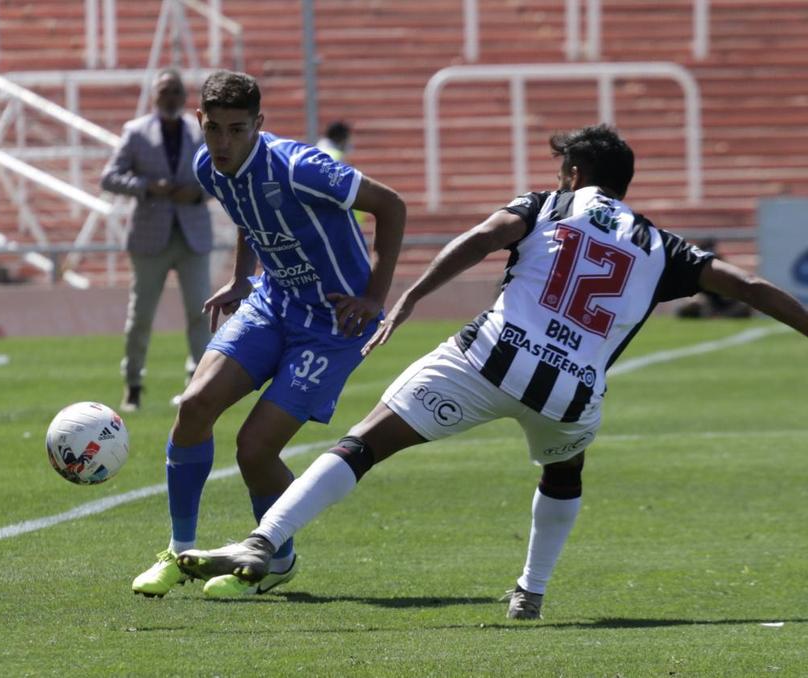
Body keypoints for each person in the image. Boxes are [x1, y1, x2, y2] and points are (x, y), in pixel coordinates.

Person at [176, 124, 808, 618]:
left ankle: (265, 542)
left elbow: (482, 237)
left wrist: (409, 298)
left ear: (574, 173)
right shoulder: (662, 244)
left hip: (488, 358)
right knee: (564, 471)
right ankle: (530, 592)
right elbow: (747, 284)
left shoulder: (551, 205)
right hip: (571, 395)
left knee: (364, 443)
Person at [131, 70, 407, 599]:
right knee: (193, 406)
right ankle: (178, 551)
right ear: (200, 122)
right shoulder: (209, 167)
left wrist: (374, 296)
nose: (224, 142)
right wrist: (241, 277)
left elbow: (391, 206)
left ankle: (275, 558)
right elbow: (247, 211)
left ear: (259, 124)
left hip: (331, 326)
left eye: (238, 130)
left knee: (254, 449)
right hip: (273, 300)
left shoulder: (304, 168)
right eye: (215, 129)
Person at [101, 69, 213, 412]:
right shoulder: (136, 132)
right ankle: (133, 384)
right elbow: (110, 177)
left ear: (185, 97)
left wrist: (196, 193)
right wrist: (149, 187)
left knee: (201, 311)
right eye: (165, 91)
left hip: (192, 233)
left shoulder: (200, 132)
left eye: (176, 91)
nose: (170, 97)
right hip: (150, 236)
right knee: (141, 315)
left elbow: (221, 175)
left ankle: (198, 385)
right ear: (154, 96)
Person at [675, 238, 752, 318]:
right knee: (694, 302)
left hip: (722, 305)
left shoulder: (723, 268)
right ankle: (711, 317)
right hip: (705, 305)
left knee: (744, 305)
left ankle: (720, 317)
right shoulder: (693, 268)